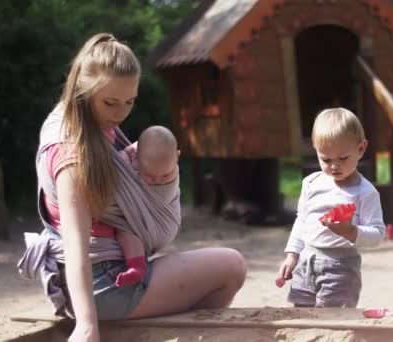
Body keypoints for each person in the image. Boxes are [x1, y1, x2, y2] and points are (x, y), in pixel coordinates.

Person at [17, 33, 246, 342]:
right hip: (103, 285)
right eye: (110, 102)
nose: (121, 113)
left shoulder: (93, 124)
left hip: (111, 274)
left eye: (130, 102)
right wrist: (87, 326)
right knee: (231, 267)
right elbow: (76, 244)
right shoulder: (73, 153)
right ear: (83, 90)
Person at [277, 107, 385, 308]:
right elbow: (302, 220)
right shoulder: (311, 183)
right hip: (306, 262)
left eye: (342, 158)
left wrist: (351, 231)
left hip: (340, 267)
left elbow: (378, 234)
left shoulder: (365, 192)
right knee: (302, 316)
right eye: (325, 159)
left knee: (333, 320)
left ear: (360, 149)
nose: (334, 166)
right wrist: (292, 255)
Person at [113, 125, 181, 288]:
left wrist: (124, 155)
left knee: (126, 228)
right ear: (136, 158)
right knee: (125, 228)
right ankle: (136, 266)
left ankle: (137, 264)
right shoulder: (151, 159)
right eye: (149, 176)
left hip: (159, 225)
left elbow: (120, 166)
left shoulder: (166, 180)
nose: (158, 180)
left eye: (166, 175)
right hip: (146, 224)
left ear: (177, 157)